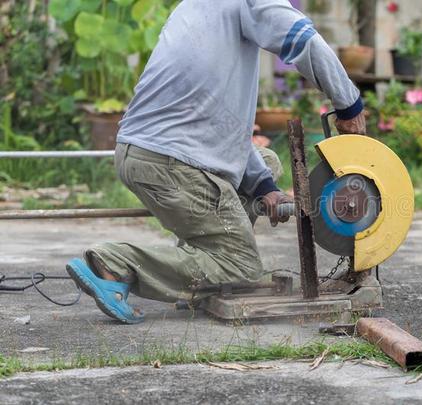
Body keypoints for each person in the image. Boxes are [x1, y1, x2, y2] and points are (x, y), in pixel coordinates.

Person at [66, 0, 367, 324]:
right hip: (168, 162)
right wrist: (348, 106)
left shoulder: (195, 8)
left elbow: (221, 126)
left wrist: (265, 187)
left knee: (267, 162)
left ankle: (208, 255)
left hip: (150, 152)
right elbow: (304, 41)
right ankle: (114, 264)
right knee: (241, 266)